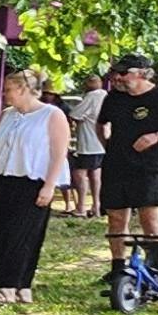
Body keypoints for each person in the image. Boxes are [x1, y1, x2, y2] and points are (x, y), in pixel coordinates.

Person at [0, 68, 73, 304]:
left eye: (9, 90)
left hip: (33, 182)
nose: (5, 94)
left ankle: (10, 285)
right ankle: (6, 284)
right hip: (6, 180)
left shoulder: (52, 115)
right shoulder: (7, 115)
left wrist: (50, 186)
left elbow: (59, 154)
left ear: (24, 89)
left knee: (23, 234)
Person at [95, 53, 158, 278]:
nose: (117, 78)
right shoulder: (113, 98)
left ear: (141, 73)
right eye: (114, 73)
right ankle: (118, 267)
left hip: (147, 169)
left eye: (122, 73)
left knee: (150, 220)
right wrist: (108, 145)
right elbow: (101, 125)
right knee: (116, 219)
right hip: (116, 167)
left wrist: (157, 136)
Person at [64, 66, 110, 218]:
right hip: (101, 144)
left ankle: (81, 206)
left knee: (79, 174)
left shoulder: (92, 97)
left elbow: (75, 114)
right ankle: (96, 205)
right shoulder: (106, 96)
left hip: (88, 143)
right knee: (96, 174)